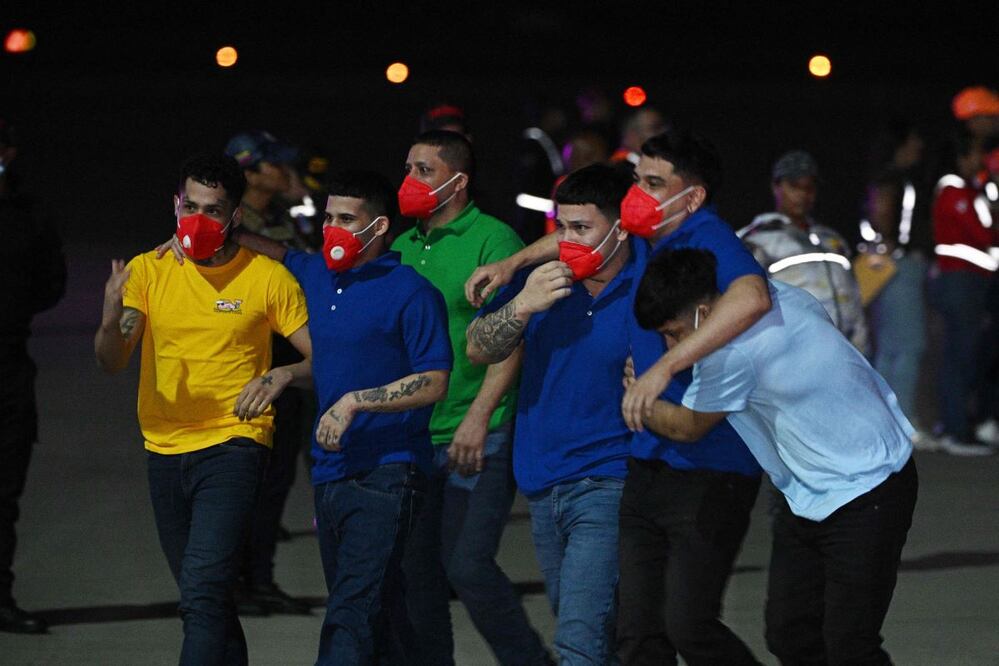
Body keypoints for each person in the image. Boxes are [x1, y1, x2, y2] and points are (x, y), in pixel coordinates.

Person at [634, 247, 918, 666]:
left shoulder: (731, 354)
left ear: (704, 312)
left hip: (868, 488)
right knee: (791, 633)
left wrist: (636, 393)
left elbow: (686, 426)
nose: (671, 346)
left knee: (850, 647)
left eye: (675, 332)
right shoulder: (779, 293)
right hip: (808, 493)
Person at [96, 153, 312, 664]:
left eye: (212, 210)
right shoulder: (148, 271)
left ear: (235, 216)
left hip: (235, 443)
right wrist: (109, 321)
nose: (198, 219)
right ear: (175, 205)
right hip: (164, 448)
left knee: (200, 591)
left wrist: (283, 373)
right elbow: (111, 362)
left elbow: (323, 356)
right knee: (207, 599)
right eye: (190, 206)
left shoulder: (266, 278)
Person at [233, 170, 453, 665]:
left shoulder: (411, 292)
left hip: (389, 473)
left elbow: (435, 380)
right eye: (329, 217)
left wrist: (356, 401)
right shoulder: (316, 275)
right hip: (332, 474)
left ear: (378, 228)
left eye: (346, 219)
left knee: (350, 613)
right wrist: (287, 373)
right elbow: (261, 246)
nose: (332, 228)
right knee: (382, 613)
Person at [392, 130, 550, 665]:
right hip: (415, 433)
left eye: (423, 171)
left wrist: (479, 419)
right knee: (419, 573)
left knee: (467, 565)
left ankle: (529, 661)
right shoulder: (402, 246)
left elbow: (510, 338)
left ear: (457, 182)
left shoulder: (494, 241)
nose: (409, 181)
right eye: (408, 167)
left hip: (478, 429)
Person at [467, 164, 635, 664]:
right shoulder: (543, 284)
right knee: (589, 628)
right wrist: (521, 305)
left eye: (581, 228)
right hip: (542, 483)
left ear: (622, 227)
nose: (567, 240)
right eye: (561, 228)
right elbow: (477, 348)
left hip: (609, 481)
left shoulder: (649, 284)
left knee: (578, 642)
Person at [225, 130, 315, 615]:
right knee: (248, 483)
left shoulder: (282, 215)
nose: (289, 172)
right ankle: (235, 583)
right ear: (253, 171)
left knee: (276, 481)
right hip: (257, 365)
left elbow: (317, 263)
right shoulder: (238, 225)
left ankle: (260, 579)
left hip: (290, 364)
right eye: (279, 164)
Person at [0, 117, 66, 634]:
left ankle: (0, 597)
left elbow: (51, 283)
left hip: (8, 362)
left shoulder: (29, 215)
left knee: (5, 493)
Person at [738, 150, 868, 354]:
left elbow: (853, 297)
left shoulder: (831, 239)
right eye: (794, 186)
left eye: (809, 187)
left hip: (844, 353)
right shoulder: (758, 240)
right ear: (776, 187)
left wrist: (861, 345)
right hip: (792, 354)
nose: (803, 195)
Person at [861, 120, 934, 448]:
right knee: (906, 346)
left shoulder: (887, 175)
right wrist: (888, 243)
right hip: (895, 264)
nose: (919, 145)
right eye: (914, 139)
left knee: (890, 347)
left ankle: (886, 420)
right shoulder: (892, 178)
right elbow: (883, 209)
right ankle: (902, 421)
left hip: (885, 263)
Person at [926, 128, 998, 455]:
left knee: (966, 355)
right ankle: (955, 431)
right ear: (960, 157)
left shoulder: (971, 190)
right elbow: (981, 232)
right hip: (960, 280)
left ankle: (958, 426)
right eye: (974, 155)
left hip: (970, 281)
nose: (980, 161)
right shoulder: (954, 190)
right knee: (959, 356)